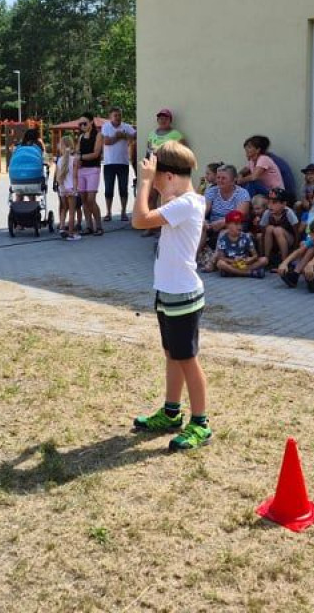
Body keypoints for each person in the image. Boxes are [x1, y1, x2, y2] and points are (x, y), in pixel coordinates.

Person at [131, 139, 212, 452]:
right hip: (169, 292)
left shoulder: (187, 204)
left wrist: (144, 183)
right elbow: (163, 199)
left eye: (157, 176)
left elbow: (139, 219)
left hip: (183, 296)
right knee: (172, 355)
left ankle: (201, 423)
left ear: (166, 176)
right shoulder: (181, 200)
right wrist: (158, 182)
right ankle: (171, 412)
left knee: (187, 359)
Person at [141, 108, 185, 237]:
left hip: (168, 170)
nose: (162, 120)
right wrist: (146, 163)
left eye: (165, 118)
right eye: (160, 118)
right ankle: (151, 226)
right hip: (153, 170)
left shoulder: (175, 134)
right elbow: (148, 150)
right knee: (151, 197)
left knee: (167, 199)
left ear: (170, 120)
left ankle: (165, 227)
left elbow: (183, 150)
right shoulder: (152, 134)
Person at [201, 164, 251, 252]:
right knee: (201, 227)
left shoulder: (242, 193)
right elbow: (202, 211)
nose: (220, 180)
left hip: (235, 224)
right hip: (213, 224)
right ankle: (192, 260)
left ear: (233, 180)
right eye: (218, 177)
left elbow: (239, 215)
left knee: (226, 231)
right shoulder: (211, 191)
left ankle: (214, 261)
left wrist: (223, 222)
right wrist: (202, 220)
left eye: (223, 178)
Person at [101, 105, 136, 222]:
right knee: (108, 189)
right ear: (110, 117)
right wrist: (119, 137)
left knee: (123, 189)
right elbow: (106, 141)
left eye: (120, 115)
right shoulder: (106, 126)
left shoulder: (127, 126)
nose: (118, 117)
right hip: (109, 163)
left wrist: (124, 135)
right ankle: (108, 212)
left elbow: (134, 137)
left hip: (123, 163)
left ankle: (123, 212)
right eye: (115, 115)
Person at [214, 209, 268, 278]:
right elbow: (221, 257)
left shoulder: (246, 236)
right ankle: (249, 273)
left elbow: (255, 255)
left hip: (244, 263)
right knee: (220, 263)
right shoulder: (223, 238)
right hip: (232, 263)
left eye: (240, 223)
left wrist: (250, 259)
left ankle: (232, 272)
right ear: (227, 225)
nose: (239, 226)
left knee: (264, 260)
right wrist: (233, 261)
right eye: (236, 224)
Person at [74, 112, 104, 236]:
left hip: (93, 169)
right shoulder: (81, 137)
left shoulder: (98, 135)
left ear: (91, 122)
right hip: (81, 170)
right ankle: (89, 226)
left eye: (84, 123)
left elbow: (96, 154)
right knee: (84, 199)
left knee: (91, 199)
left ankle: (99, 226)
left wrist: (80, 156)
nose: (82, 126)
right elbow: (76, 152)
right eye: (80, 124)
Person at [261, 187, 298, 267]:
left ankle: (284, 262)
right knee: (269, 228)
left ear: (284, 204)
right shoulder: (267, 213)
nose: (270, 205)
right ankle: (266, 259)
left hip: (288, 240)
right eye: (269, 202)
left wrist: (295, 249)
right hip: (273, 241)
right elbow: (263, 231)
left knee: (278, 230)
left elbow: (297, 232)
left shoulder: (289, 213)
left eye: (274, 202)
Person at [54, 135, 80, 241]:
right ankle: (71, 233)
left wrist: (62, 188)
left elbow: (58, 177)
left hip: (62, 189)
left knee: (64, 209)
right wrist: (74, 189)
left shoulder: (59, 160)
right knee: (72, 211)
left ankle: (61, 228)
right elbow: (74, 176)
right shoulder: (74, 160)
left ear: (62, 146)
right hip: (71, 189)